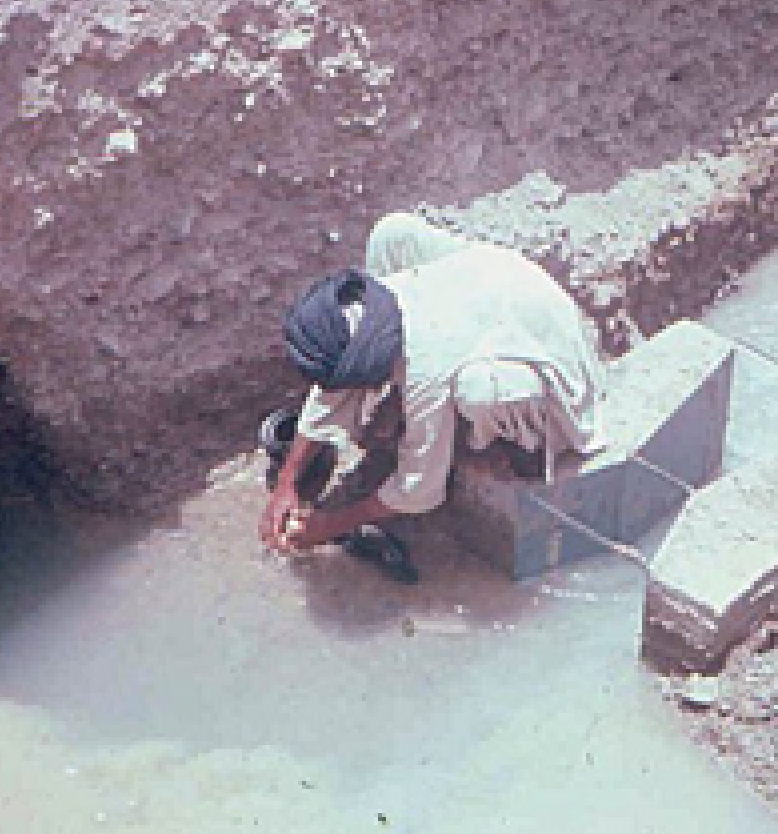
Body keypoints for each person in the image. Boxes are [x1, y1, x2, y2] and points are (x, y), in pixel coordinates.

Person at [258, 213, 608, 575]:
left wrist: (330, 525)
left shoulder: (425, 367)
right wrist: (287, 482)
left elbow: (420, 491)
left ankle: (524, 443)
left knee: (480, 392)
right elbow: (334, 383)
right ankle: (412, 400)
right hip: (490, 282)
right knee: (391, 233)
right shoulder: (377, 301)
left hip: (553, 347)